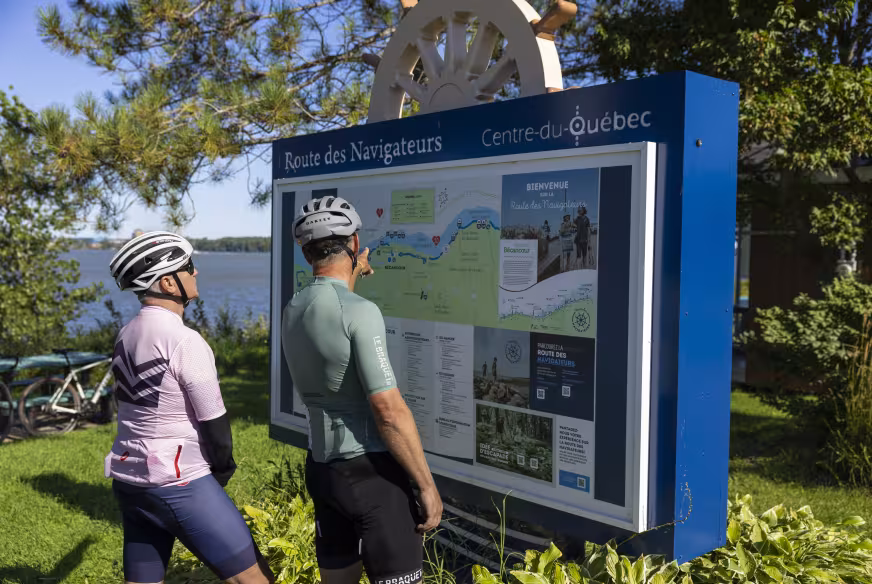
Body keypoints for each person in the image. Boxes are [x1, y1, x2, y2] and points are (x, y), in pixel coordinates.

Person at [281, 196, 443, 584]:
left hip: (323, 470)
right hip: (371, 474)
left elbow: (329, 312)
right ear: (355, 244)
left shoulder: (294, 308)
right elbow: (388, 410)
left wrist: (350, 274)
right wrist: (426, 486)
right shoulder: (360, 311)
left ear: (306, 254)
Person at [106, 231, 274, 584]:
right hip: (179, 482)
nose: (196, 273)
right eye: (189, 267)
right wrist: (223, 469)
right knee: (257, 579)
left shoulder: (126, 333)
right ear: (168, 282)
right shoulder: (185, 340)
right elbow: (214, 422)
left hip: (128, 478)